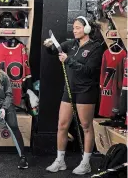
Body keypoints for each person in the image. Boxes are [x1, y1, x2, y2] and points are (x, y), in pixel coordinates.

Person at [44, 16, 104, 175]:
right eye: (74, 28)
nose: (75, 30)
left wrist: (68, 60)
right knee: (62, 125)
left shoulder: (96, 48)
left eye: (78, 27)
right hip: (69, 89)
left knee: (86, 126)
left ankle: (85, 163)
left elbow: (89, 71)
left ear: (87, 29)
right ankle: (60, 160)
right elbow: (54, 50)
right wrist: (49, 46)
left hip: (86, 91)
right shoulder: (71, 44)